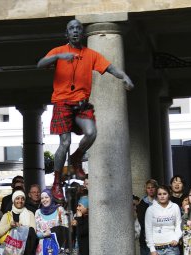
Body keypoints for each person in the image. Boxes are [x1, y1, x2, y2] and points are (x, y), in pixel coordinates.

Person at [37, 19, 134, 202]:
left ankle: (77, 157)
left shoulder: (90, 54)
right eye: (71, 29)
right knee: (64, 143)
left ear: (82, 34)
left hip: (81, 104)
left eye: (78, 29)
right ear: (67, 34)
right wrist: (58, 58)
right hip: (62, 103)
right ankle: (57, 182)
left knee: (91, 132)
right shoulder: (59, 51)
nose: (75, 31)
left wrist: (124, 77)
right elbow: (40, 63)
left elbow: (110, 67)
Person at [137, 179, 158, 255]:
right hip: (145, 240)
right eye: (148, 187)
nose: (150, 189)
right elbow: (142, 222)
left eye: (153, 187)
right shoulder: (142, 204)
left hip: (159, 240)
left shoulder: (160, 202)